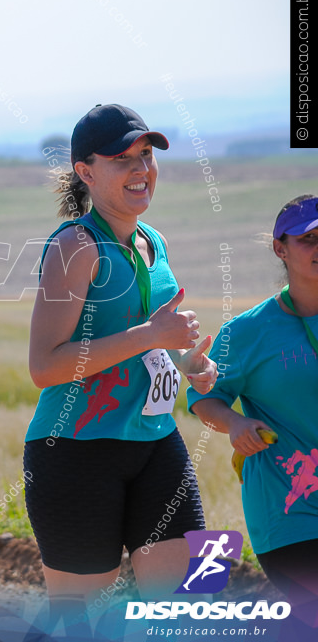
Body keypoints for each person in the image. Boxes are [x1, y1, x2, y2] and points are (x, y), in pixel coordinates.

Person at [23, 104, 218, 623]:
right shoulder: (75, 246)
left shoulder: (154, 241)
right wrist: (148, 335)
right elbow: (44, 366)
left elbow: (157, 343)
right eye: (122, 158)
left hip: (155, 441)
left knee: (189, 604)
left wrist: (190, 361)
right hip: (75, 451)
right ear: (86, 172)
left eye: (147, 155)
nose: (141, 169)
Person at [188, 194, 318, 628]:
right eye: (308, 239)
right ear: (281, 249)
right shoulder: (246, 333)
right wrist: (235, 422)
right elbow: (204, 399)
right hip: (290, 512)